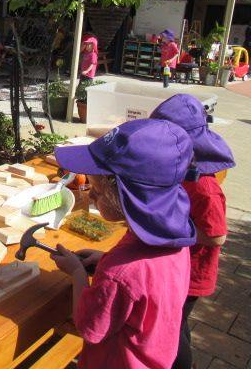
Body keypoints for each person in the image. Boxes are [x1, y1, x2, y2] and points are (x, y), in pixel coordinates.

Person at [51, 118, 196, 369]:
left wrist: (77, 273)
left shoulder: (119, 274)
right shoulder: (175, 241)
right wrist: (104, 258)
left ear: (126, 195)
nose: (91, 195)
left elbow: (88, 326)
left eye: (96, 188)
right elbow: (147, 284)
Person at [150, 94, 235, 369]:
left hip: (192, 273)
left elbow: (217, 234)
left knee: (171, 328)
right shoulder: (182, 169)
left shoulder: (205, 187)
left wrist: (171, 229)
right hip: (179, 265)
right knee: (178, 323)